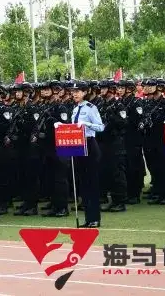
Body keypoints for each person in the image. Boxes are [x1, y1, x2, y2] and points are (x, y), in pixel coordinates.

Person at [62, 81, 104, 228]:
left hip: (90, 145)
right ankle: (88, 218)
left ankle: (95, 218)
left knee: (92, 183)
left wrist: (87, 125)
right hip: (78, 147)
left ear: (85, 92)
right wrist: (63, 127)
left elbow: (101, 127)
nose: (74, 94)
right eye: (73, 91)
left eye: (78, 91)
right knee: (83, 184)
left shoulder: (91, 108)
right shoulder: (75, 109)